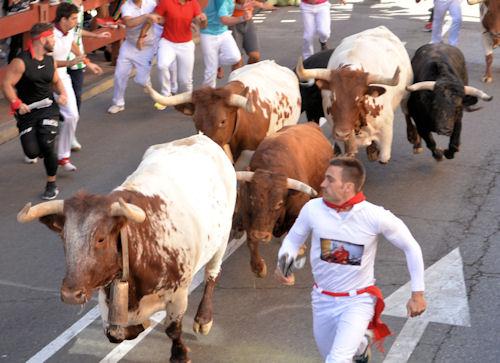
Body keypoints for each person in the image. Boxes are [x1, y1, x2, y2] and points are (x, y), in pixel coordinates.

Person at [275, 157, 427, 362]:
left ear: (347, 187)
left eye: (329, 180)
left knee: (337, 359)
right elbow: (293, 241)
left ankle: (357, 344)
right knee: (328, 354)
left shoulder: (375, 216)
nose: (322, 184)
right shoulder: (313, 209)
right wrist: (284, 265)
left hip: (358, 300)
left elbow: (411, 247)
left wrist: (418, 293)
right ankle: (361, 347)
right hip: (322, 299)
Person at [1, 23, 68, 199]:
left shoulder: (50, 60)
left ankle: (51, 184)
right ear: (43, 38)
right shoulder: (21, 62)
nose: (54, 40)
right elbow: (7, 84)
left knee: (47, 144)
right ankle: (43, 139)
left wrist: (62, 93)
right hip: (27, 112)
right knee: (31, 152)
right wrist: (15, 103)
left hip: (48, 108)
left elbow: (56, 81)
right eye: (52, 37)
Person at [53, 2, 99, 171]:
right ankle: (33, 148)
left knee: (72, 115)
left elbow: (73, 45)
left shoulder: (69, 30)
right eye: (73, 19)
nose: (75, 22)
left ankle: (63, 157)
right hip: (45, 79)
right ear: (63, 19)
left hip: (63, 77)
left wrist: (88, 62)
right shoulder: (50, 34)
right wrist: (70, 62)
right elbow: (48, 63)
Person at [137, 0, 207, 110]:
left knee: (185, 80)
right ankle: (165, 95)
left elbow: (203, 25)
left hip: (186, 45)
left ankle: (188, 101)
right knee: (162, 65)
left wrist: (203, 20)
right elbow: (154, 18)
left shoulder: (193, 3)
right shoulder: (166, 2)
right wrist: (142, 35)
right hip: (168, 42)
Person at [107, 0, 169, 114]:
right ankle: (118, 103)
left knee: (141, 80)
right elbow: (129, 23)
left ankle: (146, 82)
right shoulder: (126, 6)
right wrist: (146, 16)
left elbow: (160, 17)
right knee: (120, 74)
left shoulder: (151, 3)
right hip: (129, 45)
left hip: (147, 47)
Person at [65, 0, 109, 150]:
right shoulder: (66, 6)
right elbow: (69, 39)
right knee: (61, 96)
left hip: (77, 61)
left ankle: (70, 134)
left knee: (76, 97)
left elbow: (76, 31)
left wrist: (96, 36)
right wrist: (88, 62)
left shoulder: (81, 6)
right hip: (64, 60)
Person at [200, 0, 247, 87]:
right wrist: (242, 18)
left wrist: (242, 7)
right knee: (210, 72)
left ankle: (216, 63)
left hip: (223, 32)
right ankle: (208, 96)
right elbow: (224, 20)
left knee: (235, 57)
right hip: (208, 34)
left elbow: (230, 4)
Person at [229, 0, 275, 71]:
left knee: (255, 56)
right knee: (237, 60)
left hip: (248, 21)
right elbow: (228, 5)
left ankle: (246, 75)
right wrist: (244, 6)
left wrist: (260, 4)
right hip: (233, 21)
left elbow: (258, 2)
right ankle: (237, 78)